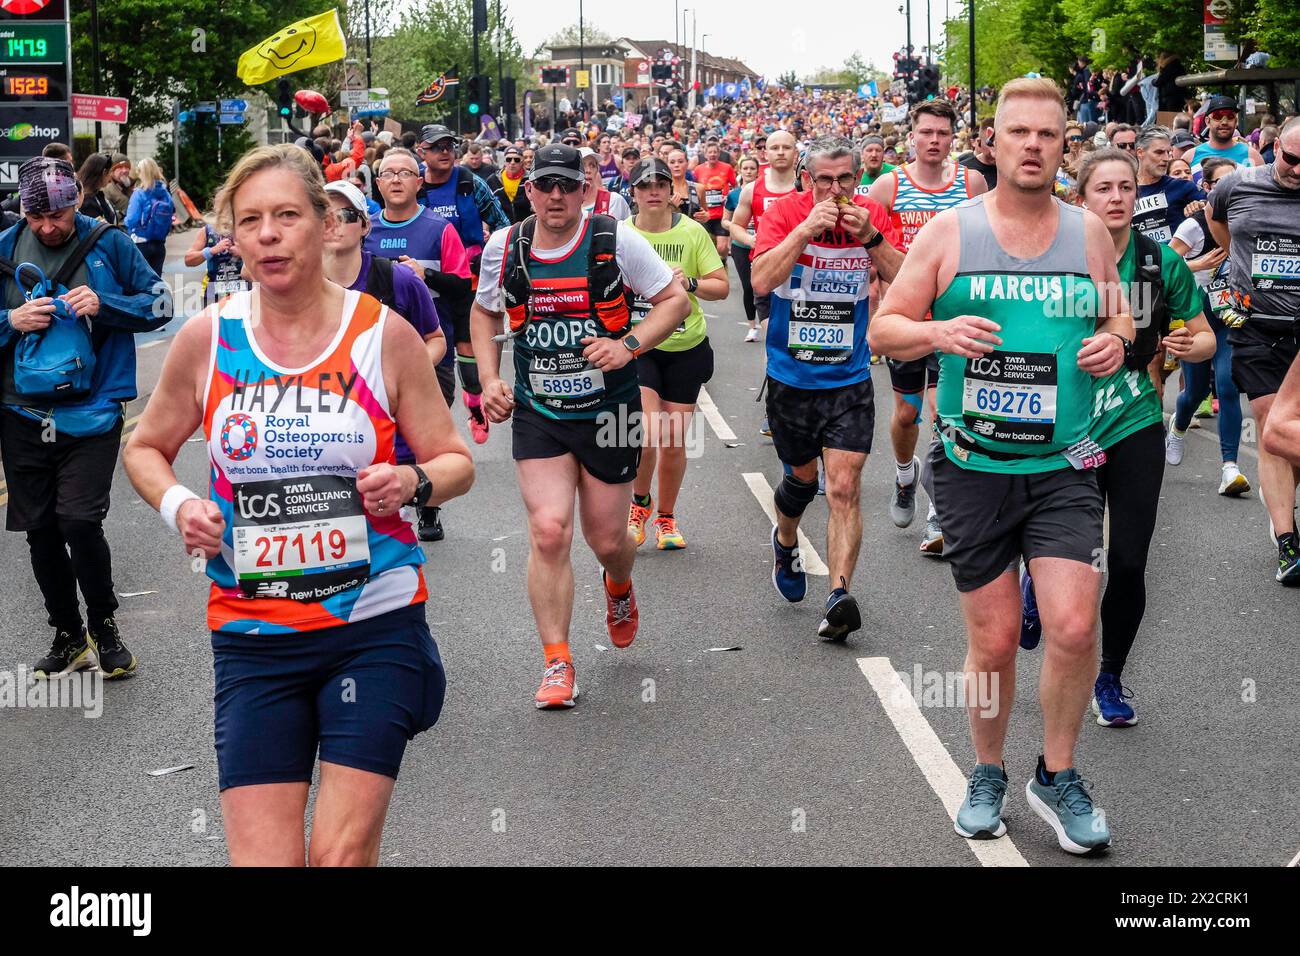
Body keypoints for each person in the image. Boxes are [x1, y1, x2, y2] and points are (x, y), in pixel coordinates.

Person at [122, 143, 474, 866]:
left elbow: (455, 461)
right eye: (250, 221)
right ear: (234, 238)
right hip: (255, 639)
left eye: (287, 215)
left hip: (372, 625)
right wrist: (180, 505)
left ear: (324, 223)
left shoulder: (383, 333)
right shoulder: (208, 337)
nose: (269, 234)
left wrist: (412, 483)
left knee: (337, 858)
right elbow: (145, 448)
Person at [869, 78, 1134, 855]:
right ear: (994, 141)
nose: (1031, 146)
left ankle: (1057, 774)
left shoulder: (1088, 234)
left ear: (1063, 145)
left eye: (1047, 136)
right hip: (972, 463)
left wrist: (1117, 340)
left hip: (1063, 461)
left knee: (1075, 625)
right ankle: (987, 770)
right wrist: (937, 336)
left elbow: (1120, 312)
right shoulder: (951, 232)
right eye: (1017, 132)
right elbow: (885, 328)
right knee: (989, 644)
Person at [468, 144, 690, 709]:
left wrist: (628, 345)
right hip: (540, 413)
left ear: (585, 189)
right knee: (548, 531)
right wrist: (489, 379)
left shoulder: (614, 239)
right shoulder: (506, 244)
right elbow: (485, 309)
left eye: (569, 185)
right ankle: (557, 661)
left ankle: (618, 583)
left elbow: (674, 300)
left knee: (608, 539)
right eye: (546, 186)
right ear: (530, 190)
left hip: (610, 411)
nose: (557, 196)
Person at [1023, 147, 1214, 728]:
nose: (1115, 198)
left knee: (1128, 560)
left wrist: (1188, 344)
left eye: (1125, 188)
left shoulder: (1159, 263)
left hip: (1133, 421)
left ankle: (1110, 675)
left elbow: (1204, 335)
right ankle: (1035, 584)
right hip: (1068, 425)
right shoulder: (1055, 258)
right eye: (1102, 188)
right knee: (1070, 556)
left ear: (1137, 194)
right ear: (1081, 196)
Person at [0, 155, 171, 680]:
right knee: (41, 530)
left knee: (78, 519)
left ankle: (104, 625)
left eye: (59, 215)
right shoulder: (5, 248)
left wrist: (106, 303)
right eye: (37, 218)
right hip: (20, 410)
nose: (49, 227)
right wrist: (11, 319)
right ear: (23, 212)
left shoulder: (110, 242)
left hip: (92, 411)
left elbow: (160, 304)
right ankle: (68, 635)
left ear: (76, 201)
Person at [751, 135, 904, 641]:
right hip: (791, 378)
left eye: (845, 180)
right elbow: (760, 281)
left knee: (842, 487)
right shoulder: (784, 212)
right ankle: (786, 539)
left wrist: (872, 240)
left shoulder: (871, 215)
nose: (835, 191)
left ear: (857, 178)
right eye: (824, 181)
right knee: (800, 482)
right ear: (806, 179)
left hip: (850, 377)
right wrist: (803, 230)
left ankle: (838, 595)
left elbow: (908, 281)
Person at [868, 99, 987, 553]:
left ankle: (939, 512)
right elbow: (869, 251)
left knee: (943, 412)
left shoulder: (970, 181)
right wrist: (872, 304)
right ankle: (904, 473)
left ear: (951, 136)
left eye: (942, 133)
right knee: (906, 414)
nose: (934, 141)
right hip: (906, 319)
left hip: (954, 317)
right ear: (911, 137)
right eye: (926, 133)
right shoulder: (888, 185)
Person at [324, 179, 452, 543]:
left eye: (346, 215)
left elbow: (436, 339)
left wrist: (403, 378)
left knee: (403, 481)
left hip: (392, 411)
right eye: (324, 215)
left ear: (365, 225)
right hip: (332, 409)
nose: (334, 223)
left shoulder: (397, 279)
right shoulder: (298, 287)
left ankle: (427, 507)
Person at [1206, 116, 1300, 584]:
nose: (1299, 169)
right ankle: (1288, 541)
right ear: (1274, 145)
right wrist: (1239, 265)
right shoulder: (1238, 185)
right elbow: (1217, 223)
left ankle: (1283, 496)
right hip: (1257, 328)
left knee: (1292, 435)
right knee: (1271, 425)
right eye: (1292, 157)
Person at [365, 148, 471, 540]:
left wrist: (422, 275)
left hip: (431, 346)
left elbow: (462, 290)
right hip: (372, 352)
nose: (395, 180)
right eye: (388, 173)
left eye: (405, 173)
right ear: (378, 184)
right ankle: (377, 504)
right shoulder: (366, 232)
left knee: (425, 432)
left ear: (418, 182)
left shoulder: (439, 230)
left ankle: (428, 506)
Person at [624, 157, 729, 550]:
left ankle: (666, 518)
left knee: (672, 440)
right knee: (648, 433)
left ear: (672, 192)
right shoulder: (620, 234)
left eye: (660, 185)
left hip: (686, 347)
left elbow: (721, 288)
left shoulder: (692, 233)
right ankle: (639, 505)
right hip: (639, 347)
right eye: (644, 185)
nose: (653, 191)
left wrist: (692, 282)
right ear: (632, 193)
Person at [413, 124, 510, 444]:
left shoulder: (471, 182)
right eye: (437, 147)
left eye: (449, 146)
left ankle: (475, 406)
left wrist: (490, 257)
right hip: (427, 288)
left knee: (468, 354)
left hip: (470, 281)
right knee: (432, 357)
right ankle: (431, 429)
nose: (445, 152)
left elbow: (503, 226)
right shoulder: (414, 188)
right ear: (421, 152)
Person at [1166, 157, 1250, 496]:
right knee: (1195, 392)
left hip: (1229, 316)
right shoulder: (1193, 226)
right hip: (1197, 316)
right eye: (1220, 182)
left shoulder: (1246, 219)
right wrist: (1198, 263)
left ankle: (1230, 467)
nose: (1230, 189)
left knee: (1228, 386)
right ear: (1207, 187)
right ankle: (1179, 423)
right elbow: (1167, 266)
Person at [1132, 127, 1205, 244]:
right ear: (1140, 153)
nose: (1166, 158)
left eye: (1168, 152)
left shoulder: (1183, 186)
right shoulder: (1124, 191)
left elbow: (1214, 205)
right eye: (1159, 152)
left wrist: (1200, 205)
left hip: (1177, 259)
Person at [725, 156, 761, 341]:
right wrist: (736, 227)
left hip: (764, 245)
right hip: (741, 246)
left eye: (752, 168)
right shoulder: (734, 195)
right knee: (748, 286)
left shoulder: (765, 193)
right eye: (745, 168)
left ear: (757, 171)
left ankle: (769, 322)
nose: (748, 171)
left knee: (765, 286)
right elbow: (725, 220)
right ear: (740, 171)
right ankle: (752, 327)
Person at [123, 158, 174, 277]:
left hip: (141, 244)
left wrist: (125, 222)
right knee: (155, 284)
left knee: (140, 283)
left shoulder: (139, 193)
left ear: (141, 173)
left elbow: (131, 219)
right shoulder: (165, 193)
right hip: (160, 245)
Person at [183, 221, 249, 307]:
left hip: (243, 288)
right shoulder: (207, 230)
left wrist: (242, 252)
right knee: (211, 320)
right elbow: (188, 260)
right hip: (213, 289)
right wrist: (211, 250)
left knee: (248, 319)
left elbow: (264, 255)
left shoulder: (247, 227)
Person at [692, 138, 738, 258]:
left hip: (722, 214)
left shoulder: (727, 168)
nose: (712, 154)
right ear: (705, 154)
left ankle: (722, 264)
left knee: (722, 248)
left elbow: (735, 186)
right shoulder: (698, 169)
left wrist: (728, 196)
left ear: (719, 153)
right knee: (706, 248)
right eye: (710, 152)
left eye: (715, 152)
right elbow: (693, 188)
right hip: (705, 213)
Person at [1190, 98, 1264, 169]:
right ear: (1208, 121)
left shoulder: (1252, 156)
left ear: (1236, 122)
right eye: (1217, 116)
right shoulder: (1191, 156)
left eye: (1230, 116)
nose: (1224, 122)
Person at [579, 149, 632, 220]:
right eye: (583, 166)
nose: (588, 170)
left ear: (597, 170)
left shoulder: (614, 201)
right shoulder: (567, 205)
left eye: (592, 166)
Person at [485, 146, 532, 224]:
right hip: (501, 227)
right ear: (504, 161)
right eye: (508, 159)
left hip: (525, 225)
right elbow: (487, 207)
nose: (512, 163)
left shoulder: (530, 179)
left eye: (516, 160)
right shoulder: (493, 180)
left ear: (522, 161)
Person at [957, 116, 998, 190]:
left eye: (997, 143)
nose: (994, 149)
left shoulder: (1009, 168)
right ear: (979, 142)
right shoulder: (963, 170)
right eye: (990, 143)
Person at [77, 153, 118, 226]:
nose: (111, 176)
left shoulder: (95, 195)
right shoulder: (87, 202)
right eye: (110, 171)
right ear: (104, 172)